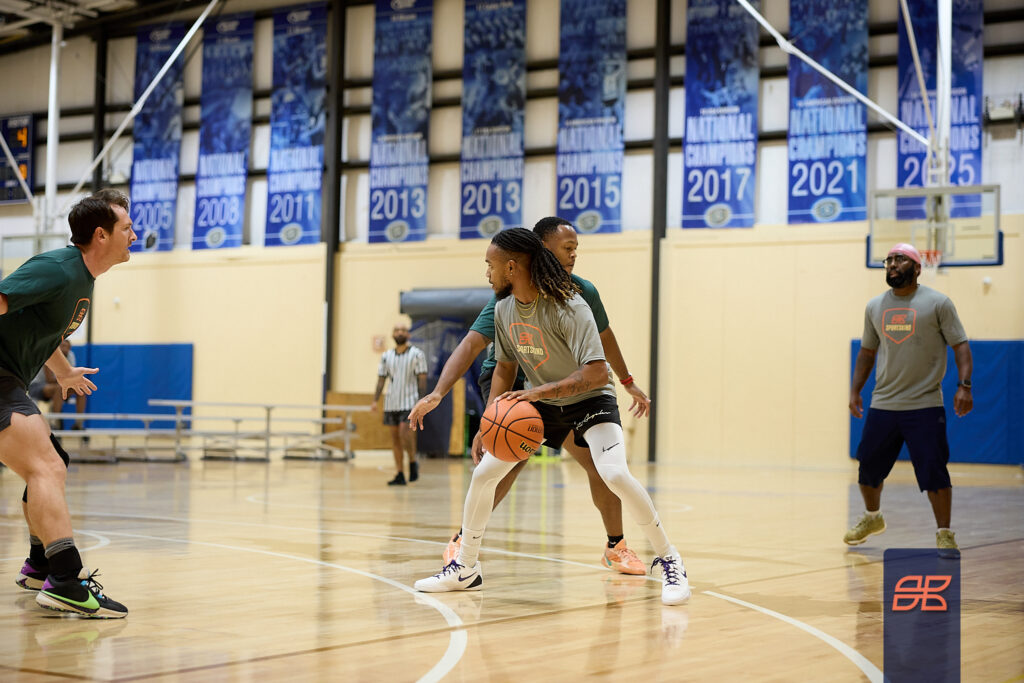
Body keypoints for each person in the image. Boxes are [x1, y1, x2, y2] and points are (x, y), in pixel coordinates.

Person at [413, 228, 689, 605]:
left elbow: (596, 372)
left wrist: (545, 391)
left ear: (512, 267)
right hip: (542, 400)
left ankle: (669, 558)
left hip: (589, 398)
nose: (487, 273)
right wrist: (490, 419)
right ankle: (465, 567)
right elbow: (505, 368)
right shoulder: (505, 308)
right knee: (484, 473)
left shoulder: (571, 305)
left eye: (490, 265)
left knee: (613, 474)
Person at [0, 188, 135, 618]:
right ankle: (65, 580)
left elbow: (45, 332)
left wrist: (62, 371)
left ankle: (41, 566)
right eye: (127, 227)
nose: (134, 235)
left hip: (10, 380)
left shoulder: (82, 279)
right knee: (46, 466)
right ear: (101, 235)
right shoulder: (58, 268)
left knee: (50, 460)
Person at [846, 243, 972, 557]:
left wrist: (964, 386)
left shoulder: (938, 303)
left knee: (934, 471)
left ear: (917, 267)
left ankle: (945, 534)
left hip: (924, 404)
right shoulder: (874, 306)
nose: (892, 264)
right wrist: (855, 390)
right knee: (867, 467)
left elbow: (960, 345)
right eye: (888, 260)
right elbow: (867, 352)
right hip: (884, 403)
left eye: (900, 259)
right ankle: (872, 518)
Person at [371, 322, 428, 486]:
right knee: (395, 439)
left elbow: (422, 379)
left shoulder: (417, 354)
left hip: (410, 401)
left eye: (403, 330)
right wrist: (375, 400)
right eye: (397, 330)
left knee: (405, 433)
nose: (400, 332)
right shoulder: (386, 356)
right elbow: (381, 380)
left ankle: (412, 461)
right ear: (393, 334)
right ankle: (400, 473)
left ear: (408, 335)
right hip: (391, 402)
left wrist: (422, 401)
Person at [28, 339, 87, 428]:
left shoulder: (70, 355)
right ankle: (55, 422)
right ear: (57, 347)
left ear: (69, 348)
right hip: (37, 385)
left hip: (57, 386)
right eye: (62, 346)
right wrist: (67, 380)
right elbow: (50, 379)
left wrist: (71, 381)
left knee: (81, 389)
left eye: (66, 346)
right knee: (59, 388)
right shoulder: (51, 354)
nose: (64, 348)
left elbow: (70, 376)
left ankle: (79, 423)